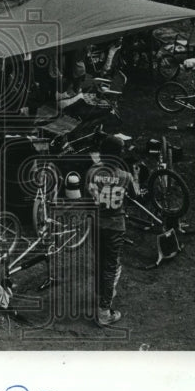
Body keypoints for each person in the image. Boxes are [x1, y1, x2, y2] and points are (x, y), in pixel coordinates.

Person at [83, 135, 137, 326]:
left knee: (99, 260)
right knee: (111, 266)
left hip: (96, 222)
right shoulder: (125, 176)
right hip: (115, 225)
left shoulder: (91, 171)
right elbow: (136, 193)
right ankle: (104, 311)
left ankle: (101, 292)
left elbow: (86, 192)